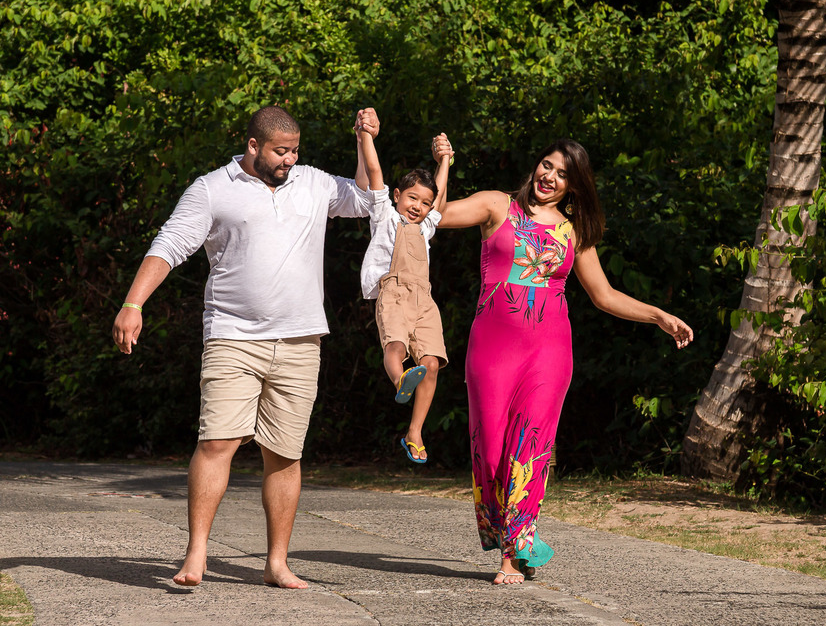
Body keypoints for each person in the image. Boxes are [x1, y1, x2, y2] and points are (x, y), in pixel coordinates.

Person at [111, 104, 379, 589]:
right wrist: (133, 303)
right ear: (253, 145)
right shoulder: (213, 188)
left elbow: (364, 199)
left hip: (300, 340)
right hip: (233, 337)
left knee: (285, 454)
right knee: (217, 442)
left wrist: (365, 140)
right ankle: (197, 554)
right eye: (280, 151)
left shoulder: (313, 183)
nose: (289, 161)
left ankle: (277, 563)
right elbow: (169, 244)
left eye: (295, 151)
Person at [437, 138, 693, 585]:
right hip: (491, 349)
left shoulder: (573, 231)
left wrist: (659, 316)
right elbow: (432, 216)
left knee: (529, 448)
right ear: (535, 166)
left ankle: (514, 555)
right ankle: (513, 537)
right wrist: (442, 166)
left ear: (573, 187)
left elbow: (604, 295)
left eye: (561, 174)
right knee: (492, 449)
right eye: (546, 165)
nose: (549, 177)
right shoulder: (496, 206)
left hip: (548, 351)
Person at [355, 121, 454, 464]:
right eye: (412, 197)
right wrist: (367, 135)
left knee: (431, 363)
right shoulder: (383, 215)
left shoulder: (425, 228)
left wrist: (445, 160)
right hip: (393, 292)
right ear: (397, 196)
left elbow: (439, 194)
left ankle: (415, 432)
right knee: (395, 346)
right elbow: (374, 169)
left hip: (424, 301)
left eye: (424, 203)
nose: (418, 206)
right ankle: (400, 382)